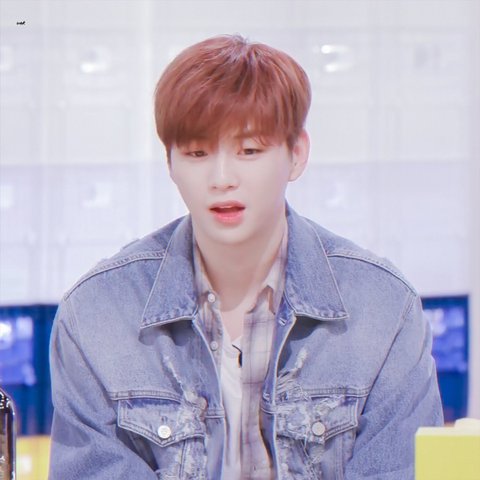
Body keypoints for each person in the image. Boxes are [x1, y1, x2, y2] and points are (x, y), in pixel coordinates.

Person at [48, 35, 443, 480]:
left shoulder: (383, 310)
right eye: (197, 153)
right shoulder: (97, 315)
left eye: (249, 150)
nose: (222, 178)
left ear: (297, 154)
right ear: (170, 163)